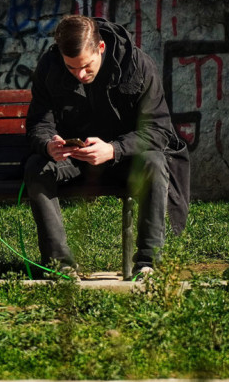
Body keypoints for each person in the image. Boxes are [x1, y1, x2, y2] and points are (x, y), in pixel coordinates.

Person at [23, 15, 190, 279]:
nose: (79, 74)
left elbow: (158, 130)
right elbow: (37, 124)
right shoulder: (49, 67)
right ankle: (60, 265)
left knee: (155, 162)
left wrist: (114, 149)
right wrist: (48, 145)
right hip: (74, 159)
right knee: (36, 166)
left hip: (123, 159)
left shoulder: (138, 65)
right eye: (70, 68)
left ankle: (148, 263)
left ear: (100, 48)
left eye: (86, 66)